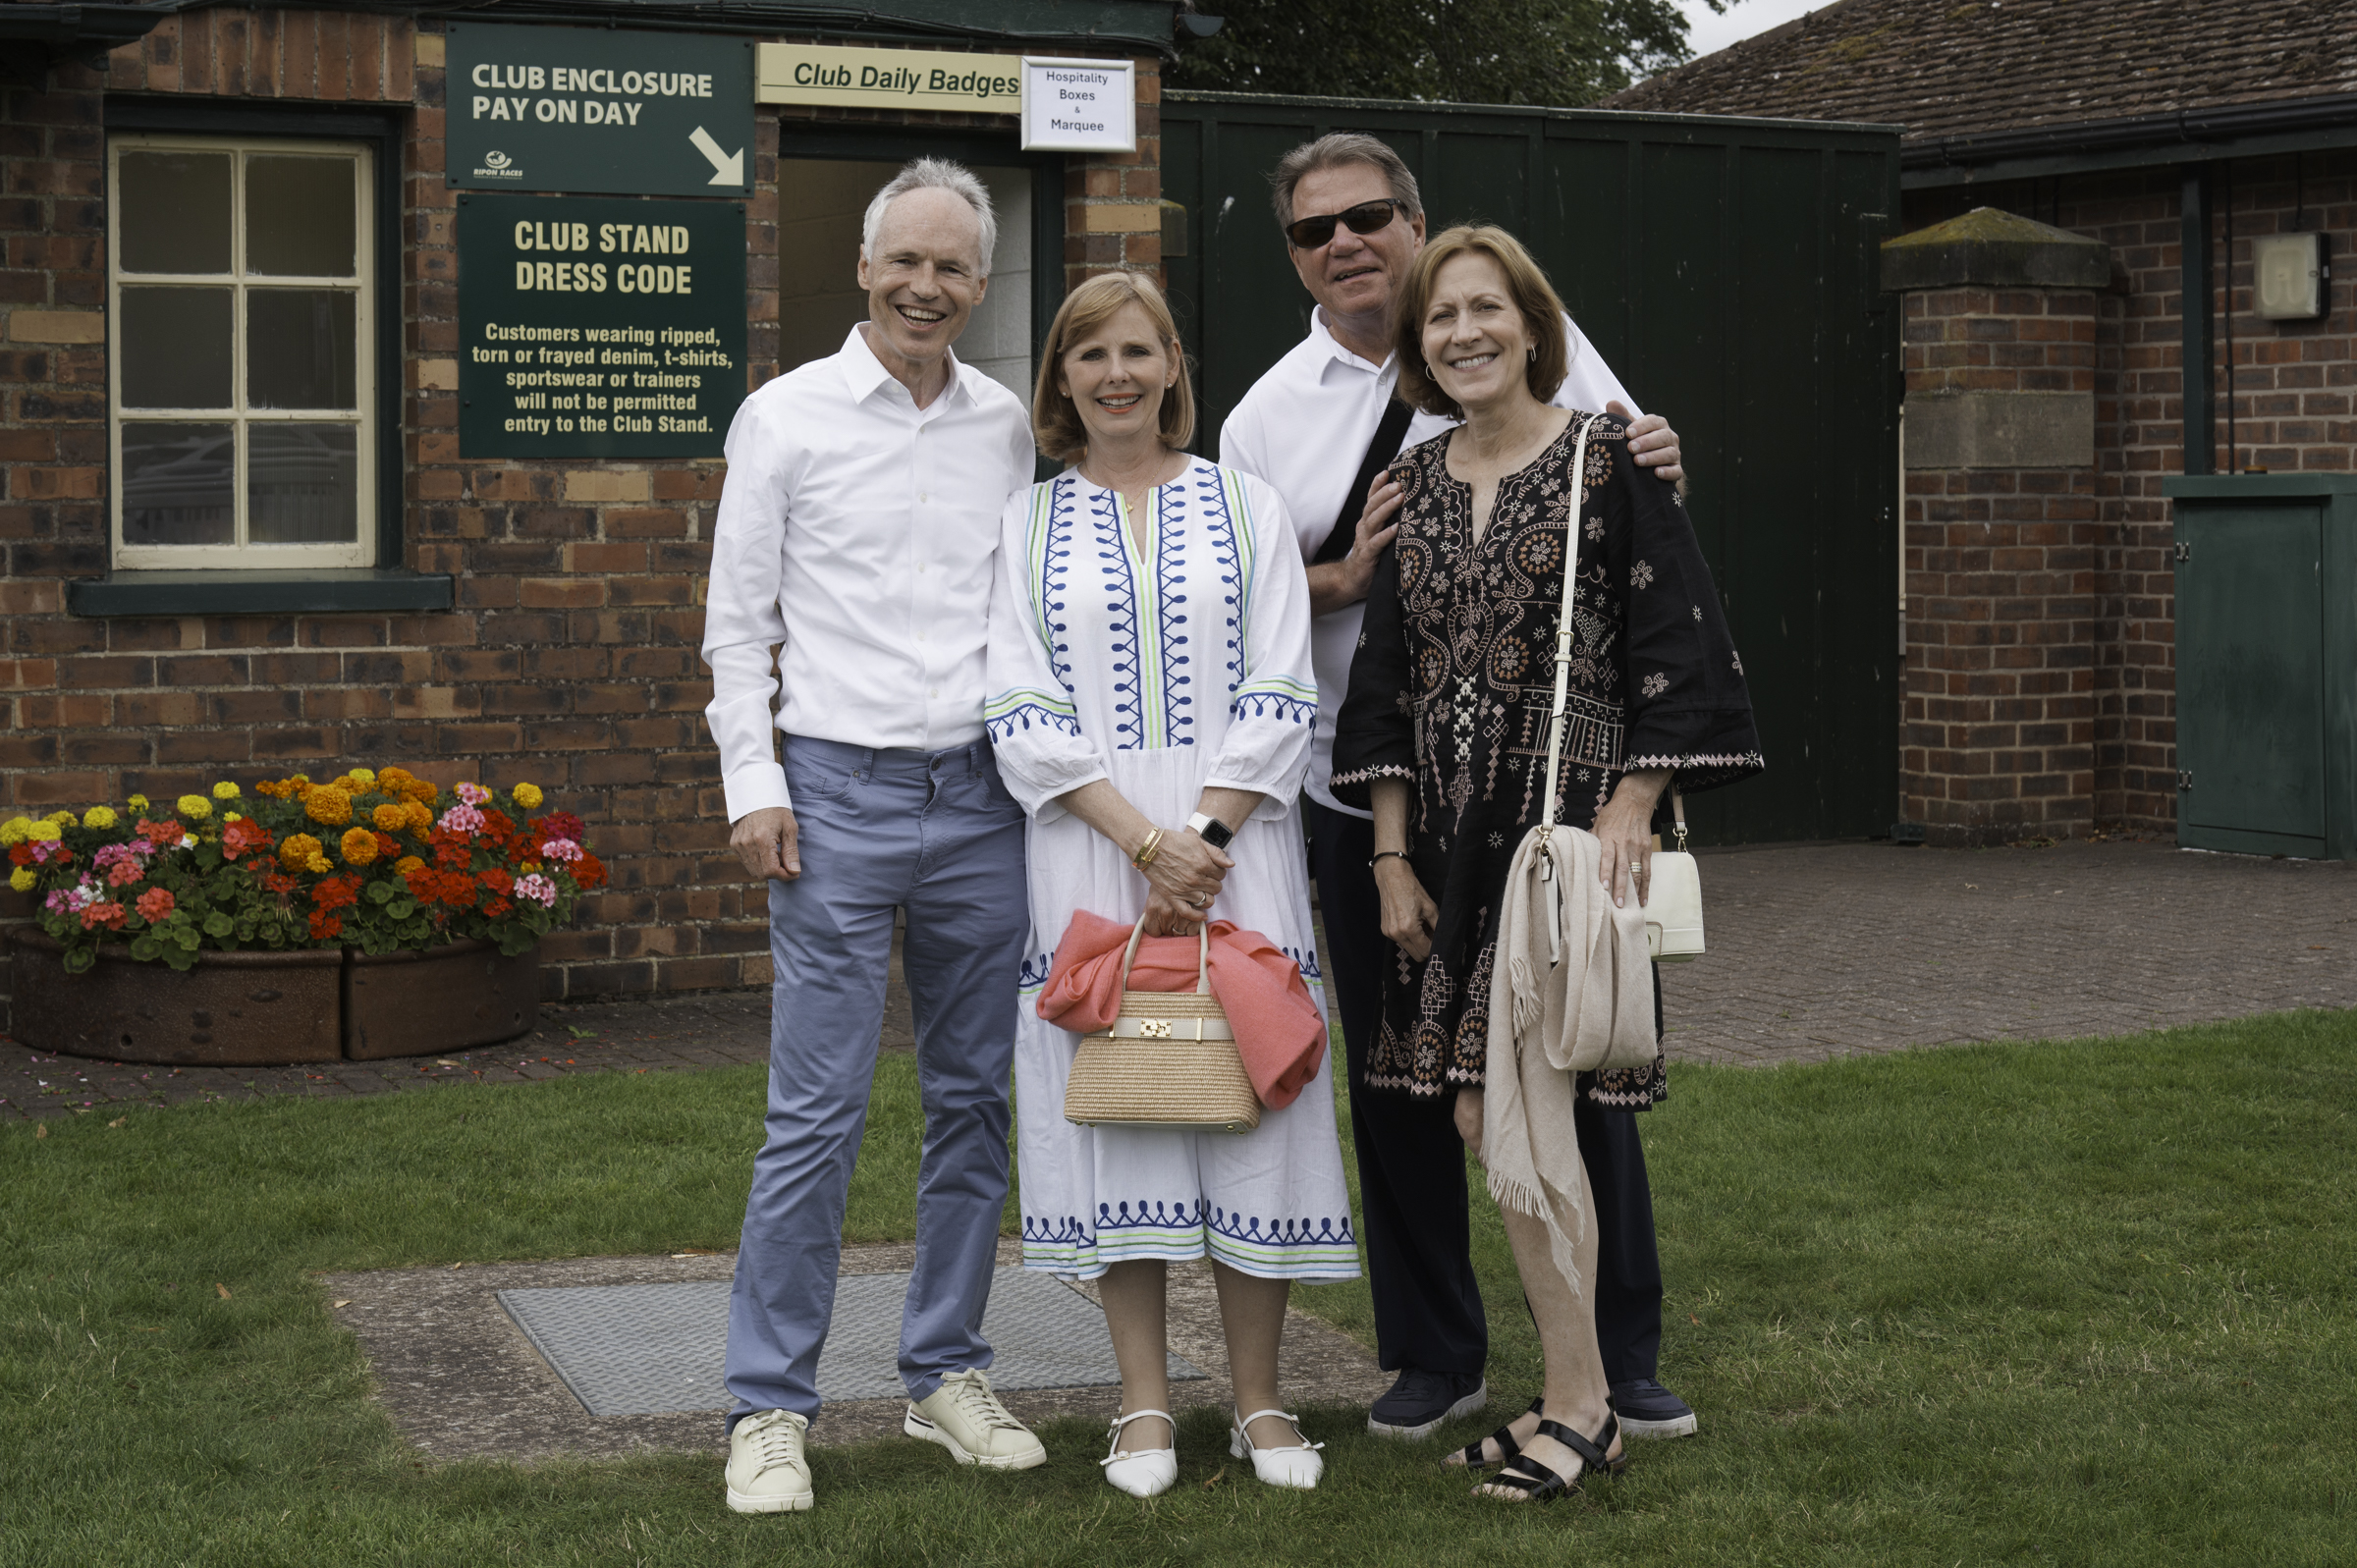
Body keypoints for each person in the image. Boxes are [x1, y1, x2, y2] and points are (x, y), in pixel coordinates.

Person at [1218, 131, 1700, 1443]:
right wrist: (1338, 579)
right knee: (1399, 1084)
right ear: (1295, 255)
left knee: (1577, 1055)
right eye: (1314, 230)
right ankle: (1436, 1353)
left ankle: (1617, 1354)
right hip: (1360, 794)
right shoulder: (1265, 416)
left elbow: (1631, 502)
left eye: (1368, 217)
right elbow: (1247, 614)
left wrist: (1663, 458)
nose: (1344, 244)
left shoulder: (1522, 333)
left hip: (1543, 795)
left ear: (1415, 220)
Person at [1332, 224, 1761, 1501]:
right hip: (1449, 857)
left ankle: (1581, 1405)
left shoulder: (1607, 462)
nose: (1463, 333)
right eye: (1441, 318)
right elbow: (1386, 689)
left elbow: (1680, 643)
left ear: (1532, 325)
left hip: (1558, 845)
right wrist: (1389, 859)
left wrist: (1634, 800)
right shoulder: (1412, 476)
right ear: (1419, 345)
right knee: (1483, 1113)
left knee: (1527, 1114)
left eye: (1485, 310)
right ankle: (1575, 1392)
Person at [699, 158, 1047, 1515]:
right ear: (862, 265)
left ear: (978, 281)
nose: (926, 286)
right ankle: (767, 1407)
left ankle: (942, 1372)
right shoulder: (782, 420)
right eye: (905, 260)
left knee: (973, 1102)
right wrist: (752, 784)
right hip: (830, 799)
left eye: (952, 267)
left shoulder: (1006, 425)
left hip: (980, 802)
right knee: (816, 1113)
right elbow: (739, 625)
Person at [984, 271, 1355, 1500]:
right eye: (1090, 355)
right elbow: (1019, 705)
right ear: (1061, 378)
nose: (1116, 375)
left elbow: (1283, 688)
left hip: (1237, 854)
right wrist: (1146, 843)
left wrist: (1200, 837)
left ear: (1175, 367)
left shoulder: (1245, 506)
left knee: (1252, 1098)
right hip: (1093, 850)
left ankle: (1261, 1400)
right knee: (1123, 1105)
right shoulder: (1027, 523)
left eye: (1138, 350)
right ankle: (1142, 1404)